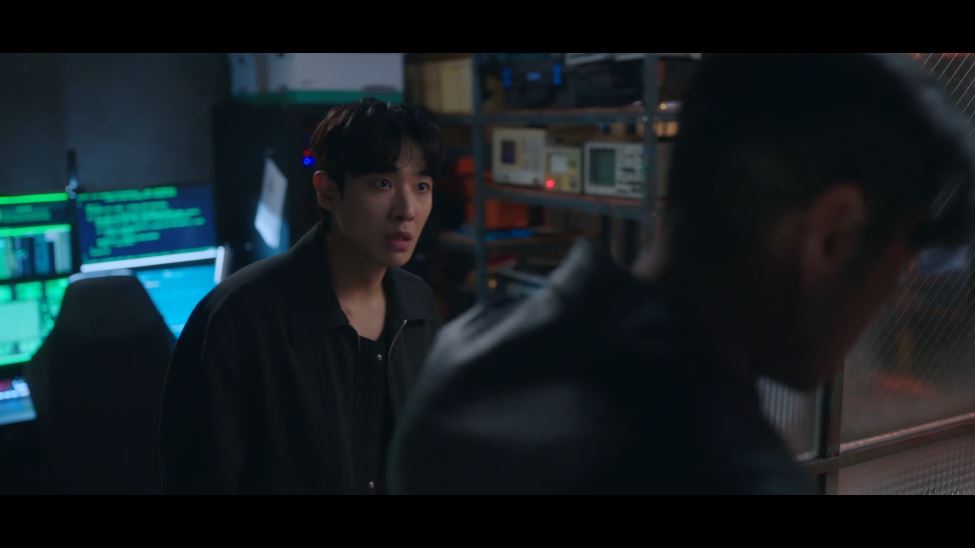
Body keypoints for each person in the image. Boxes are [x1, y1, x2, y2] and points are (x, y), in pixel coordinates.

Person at [388, 54, 975, 494]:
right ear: (832, 234)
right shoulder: (735, 473)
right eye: (899, 263)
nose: (889, 294)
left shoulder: (467, 352)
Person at [162, 98, 444, 494]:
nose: (407, 209)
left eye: (421, 187)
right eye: (382, 183)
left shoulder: (418, 306)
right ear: (327, 192)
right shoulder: (238, 317)